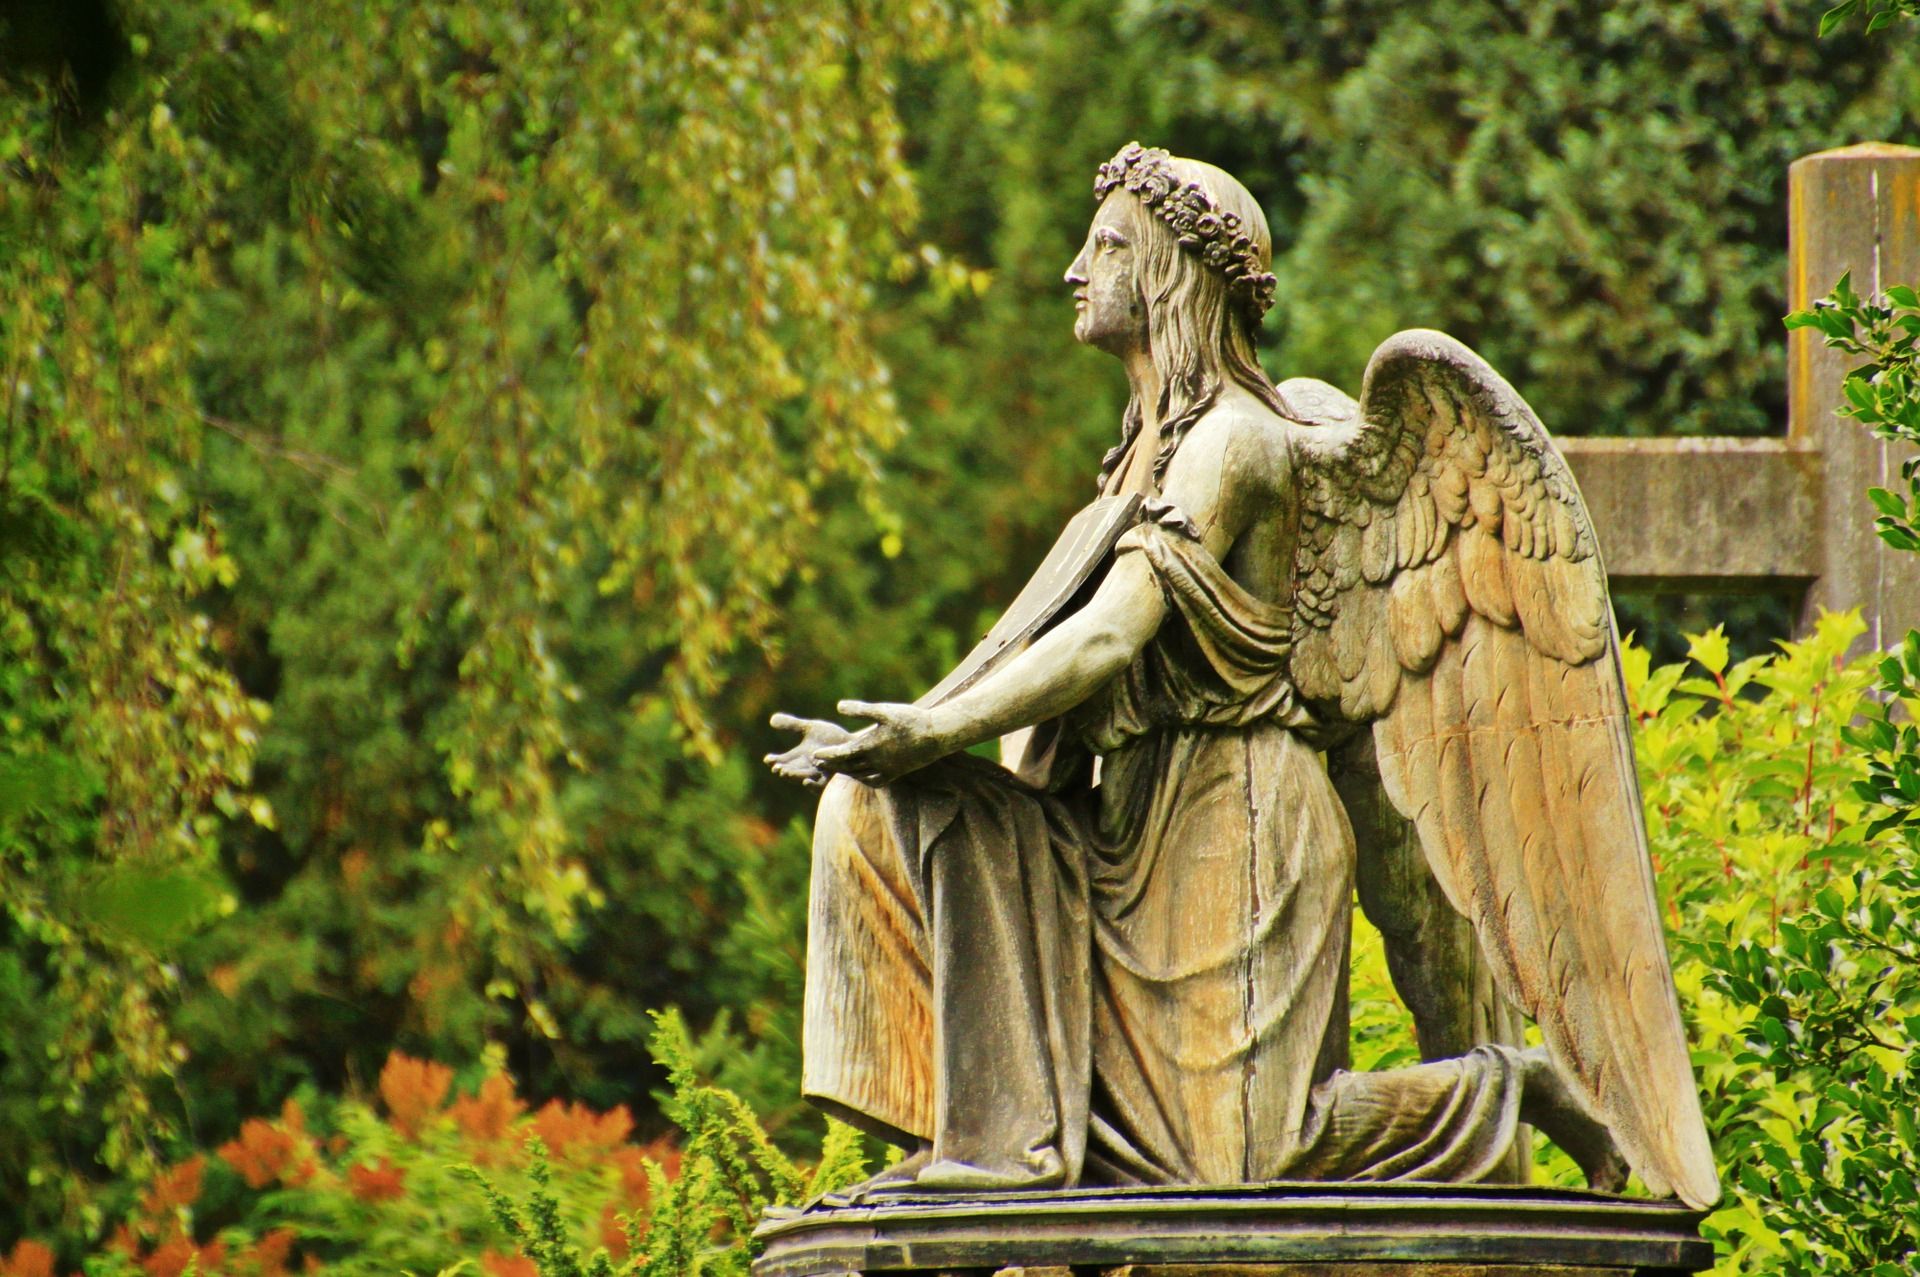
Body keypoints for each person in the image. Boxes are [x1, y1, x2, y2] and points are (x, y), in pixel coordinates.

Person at [766, 144, 1624, 1193]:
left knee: (1246, 1158)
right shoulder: (1137, 459)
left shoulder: (1236, 441)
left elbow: (1105, 639)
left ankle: (1515, 1086)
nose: (1075, 269)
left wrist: (936, 730)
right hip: (1124, 825)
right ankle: (976, 1142)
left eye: (1109, 246)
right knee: (872, 806)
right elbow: (1041, 658)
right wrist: (898, 747)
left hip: (1239, 820)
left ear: (1172, 272)